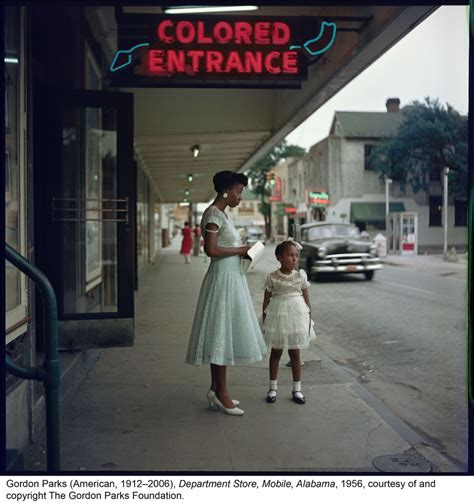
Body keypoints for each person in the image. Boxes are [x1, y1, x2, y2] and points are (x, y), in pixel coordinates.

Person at [185, 171, 266, 416]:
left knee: (224, 332)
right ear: (225, 191)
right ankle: (222, 393)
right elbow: (209, 250)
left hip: (232, 276)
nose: (240, 197)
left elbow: (222, 246)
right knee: (221, 332)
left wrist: (243, 252)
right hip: (222, 277)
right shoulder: (213, 214)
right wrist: (240, 249)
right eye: (238, 192)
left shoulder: (223, 215)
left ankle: (215, 389)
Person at [262, 239, 316, 405]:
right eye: (290, 255)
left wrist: (307, 321)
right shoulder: (272, 277)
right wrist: (265, 323)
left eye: (296, 256)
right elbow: (265, 302)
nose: (294, 259)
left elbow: (307, 304)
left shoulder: (300, 276)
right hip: (277, 316)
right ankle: (272, 387)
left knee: (295, 354)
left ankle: (297, 389)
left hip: (296, 317)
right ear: (279, 257)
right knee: (276, 353)